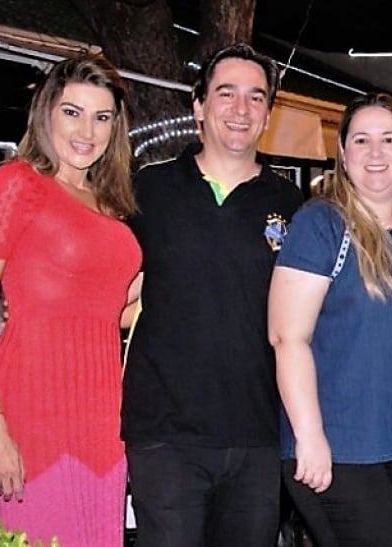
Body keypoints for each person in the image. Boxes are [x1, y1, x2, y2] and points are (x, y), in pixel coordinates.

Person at [122, 43, 303, 547]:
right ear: (199, 106)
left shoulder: (290, 204)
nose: (240, 109)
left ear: (268, 113)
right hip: (165, 436)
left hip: (259, 436)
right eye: (226, 94)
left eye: (255, 97)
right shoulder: (146, 191)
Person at [0, 54, 140, 545]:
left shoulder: (111, 204)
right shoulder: (14, 186)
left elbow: (110, 311)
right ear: (46, 113)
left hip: (105, 427)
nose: (87, 130)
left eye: (102, 117)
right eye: (72, 112)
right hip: (34, 418)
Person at [269, 92, 392, 546]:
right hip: (340, 446)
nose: (376, 152)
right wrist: (309, 437)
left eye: (388, 138)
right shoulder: (321, 225)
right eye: (361, 140)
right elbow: (288, 338)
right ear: (343, 154)